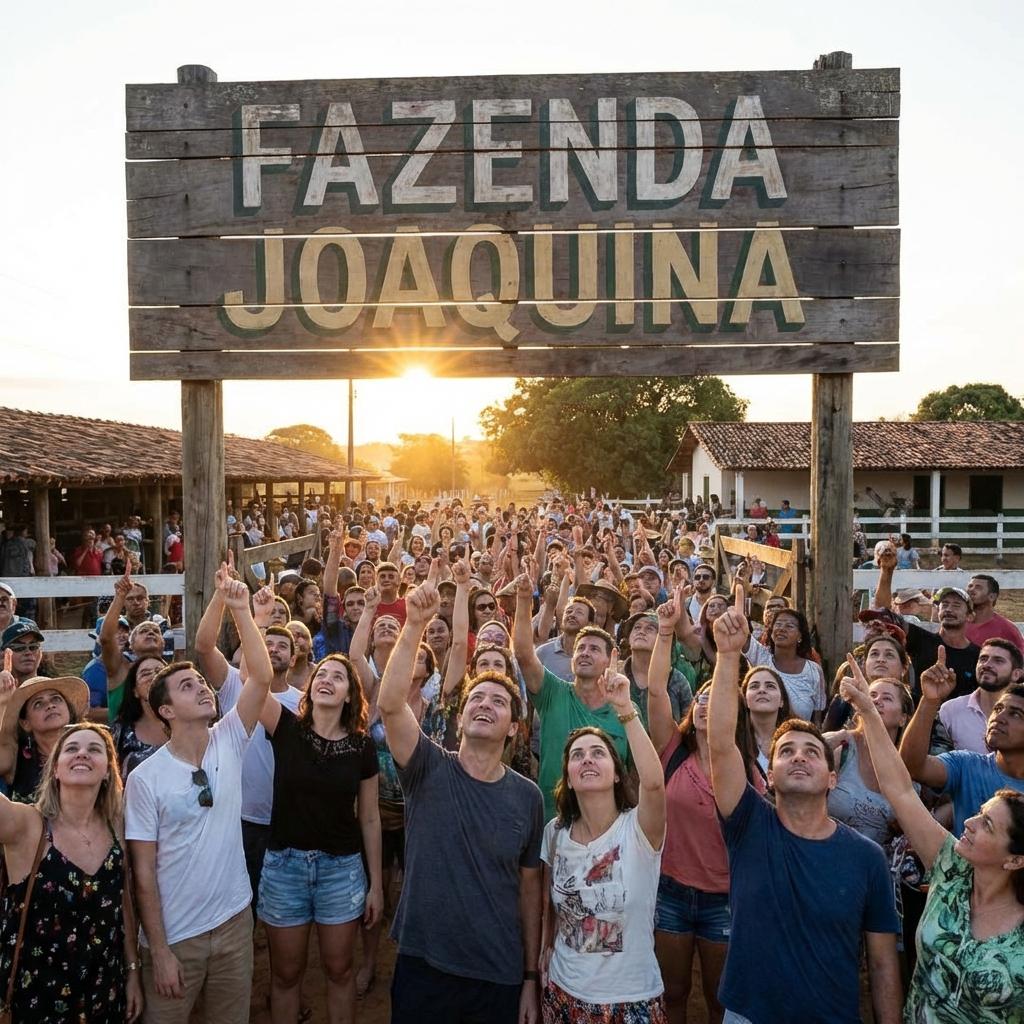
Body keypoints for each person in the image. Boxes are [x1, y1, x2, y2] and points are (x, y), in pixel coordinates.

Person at [707, 586, 902, 1024]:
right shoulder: (748, 824)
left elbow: (882, 964)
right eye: (786, 751)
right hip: (748, 1014)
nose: (799, 757)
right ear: (769, 775)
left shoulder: (867, 858)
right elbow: (720, 744)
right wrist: (728, 656)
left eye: (812, 751)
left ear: (832, 778)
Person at [378, 581, 545, 1024]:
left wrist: (530, 976)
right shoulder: (427, 766)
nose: (484, 704)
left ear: (514, 728)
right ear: (462, 713)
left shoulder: (527, 797)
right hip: (423, 966)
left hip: (497, 973)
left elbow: (529, 892)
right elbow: (391, 705)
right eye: (476, 698)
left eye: (499, 701)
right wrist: (414, 625)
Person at [125, 569, 274, 1023]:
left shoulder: (229, 736)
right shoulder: (145, 778)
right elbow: (143, 873)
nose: (203, 688)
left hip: (234, 924)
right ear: (165, 710)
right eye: (187, 686)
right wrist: (160, 950)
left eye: (202, 682)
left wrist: (241, 610)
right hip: (177, 938)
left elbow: (261, 677)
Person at [839, 659, 1024, 1023]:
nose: (967, 822)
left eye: (987, 824)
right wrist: (867, 711)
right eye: (979, 813)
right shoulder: (950, 867)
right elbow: (900, 789)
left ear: (1016, 859)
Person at [651, 590, 763, 1024]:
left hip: (724, 897)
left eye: (716, 698)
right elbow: (656, 691)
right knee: (673, 993)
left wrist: (729, 655)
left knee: (720, 1000)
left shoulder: (746, 770)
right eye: (700, 697)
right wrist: (665, 632)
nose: (705, 705)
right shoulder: (672, 749)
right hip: (671, 891)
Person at [539, 655, 667, 1022]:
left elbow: (654, 784)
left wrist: (626, 710)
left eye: (598, 753)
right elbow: (550, 904)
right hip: (563, 995)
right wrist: (545, 947)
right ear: (568, 776)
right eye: (577, 756)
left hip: (631, 1000)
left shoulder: (639, 829)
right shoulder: (555, 832)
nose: (587, 760)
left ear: (616, 773)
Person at [257, 652, 382, 1023]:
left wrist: (376, 885)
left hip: (341, 871)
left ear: (350, 694)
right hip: (284, 869)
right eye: (321, 674)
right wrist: (252, 622)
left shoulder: (362, 747)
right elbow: (254, 678)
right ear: (310, 688)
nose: (326, 679)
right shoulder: (284, 726)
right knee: (285, 975)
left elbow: (370, 817)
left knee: (340, 971)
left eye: (338, 677)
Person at [0, 722, 143, 1022]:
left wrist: (132, 971)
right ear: (55, 769)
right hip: (37, 998)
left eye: (94, 749)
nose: (82, 754)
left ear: (108, 771)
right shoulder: (27, 825)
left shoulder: (116, 826)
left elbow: (123, 904)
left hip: (105, 991)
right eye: (71, 749)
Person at [513, 573, 630, 820]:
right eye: (581, 648)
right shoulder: (552, 692)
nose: (585, 653)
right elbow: (523, 654)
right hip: (553, 822)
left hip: (608, 827)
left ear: (610, 659)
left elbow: (635, 775)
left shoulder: (626, 710)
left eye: (594, 649)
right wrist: (524, 600)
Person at [898, 648, 1024, 836]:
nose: (999, 718)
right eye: (998, 709)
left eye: (1015, 714)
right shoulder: (966, 764)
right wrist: (929, 701)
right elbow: (913, 767)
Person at [824, 677, 913, 848]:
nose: (877, 701)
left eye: (887, 698)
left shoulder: (907, 768)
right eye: (871, 695)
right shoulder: (840, 746)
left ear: (903, 718)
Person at [0, 672, 90, 802]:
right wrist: (3, 703)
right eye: (38, 704)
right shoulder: (17, 757)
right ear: (25, 723)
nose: (50, 705)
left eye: (56, 699)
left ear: (69, 711)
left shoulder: (89, 750)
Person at [742, 606, 827, 724]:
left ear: (800, 636)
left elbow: (817, 717)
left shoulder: (813, 671)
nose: (781, 629)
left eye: (789, 626)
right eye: (778, 624)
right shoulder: (761, 657)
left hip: (799, 734)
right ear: (771, 633)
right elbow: (741, 635)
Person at [939, 639, 1024, 754]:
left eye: (998, 661)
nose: (987, 665)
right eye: (983, 659)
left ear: (1016, 674)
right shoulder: (950, 710)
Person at [110, 655, 168, 778]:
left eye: (160, 671)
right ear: (135, 691)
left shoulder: (189, 722)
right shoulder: (121, 729)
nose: (154, 676)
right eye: (145, 674)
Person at [742, 665, 792, 779]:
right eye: (754, 686)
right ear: (745, 700)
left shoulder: (796, 738)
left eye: (770, 686)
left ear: (782, 701)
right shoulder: (734, 740)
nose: (762, 690)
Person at [965, 573, 1024, 653]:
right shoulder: (957, 622)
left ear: (992, 596)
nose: (971, 590)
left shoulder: (1007, 629)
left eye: (978, 587)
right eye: (970, 586)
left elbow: (1019, 658)